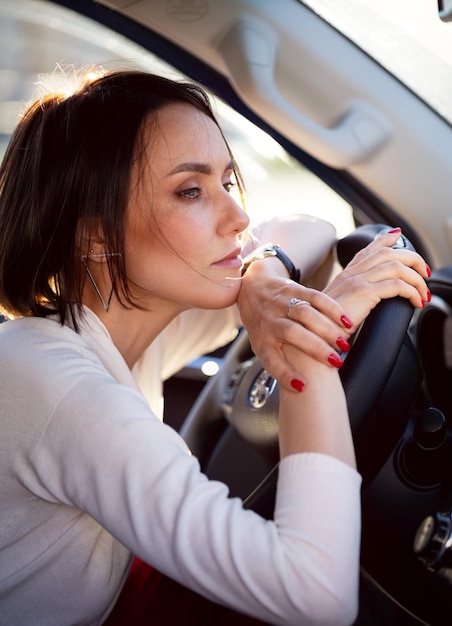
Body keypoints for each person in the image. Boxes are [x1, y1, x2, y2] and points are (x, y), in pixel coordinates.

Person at [0, 69, 430, 626]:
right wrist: (306, 344)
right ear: (97, 235)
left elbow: (309, 226)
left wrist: (265, 284)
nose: (239, 217)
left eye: (227, 183)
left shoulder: (120, 325)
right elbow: (316, 596)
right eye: (190, 191)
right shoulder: (57, 385)